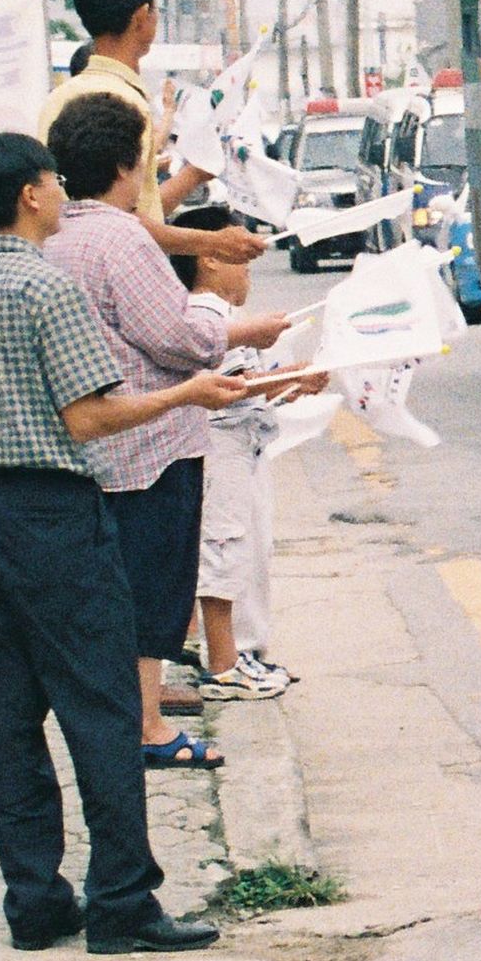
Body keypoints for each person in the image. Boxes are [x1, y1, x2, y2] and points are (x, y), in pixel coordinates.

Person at [0, 132, 298, 953]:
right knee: (103, 705)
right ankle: (122, 898)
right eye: (52, 180)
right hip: (57, 508)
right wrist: (189, 394)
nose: (63, 191)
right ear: (29, 194)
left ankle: (33, 899)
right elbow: (90, 415)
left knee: (12, 715)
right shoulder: (47, 289)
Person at [42, 92, 293, 770]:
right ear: (125, 166)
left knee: (110, 591)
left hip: (87, 444)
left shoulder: (55, 234)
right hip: (147, 445)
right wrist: (235, 324)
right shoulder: (122, 238)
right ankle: (148, 726)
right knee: (149, 591)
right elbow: (179, 337)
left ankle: (127, 717)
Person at [45, 0, 264, 272]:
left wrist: (192, 175)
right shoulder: (122, 104)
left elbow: (137, 211)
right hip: (117, 275)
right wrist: (213, 242)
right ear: (141, 16)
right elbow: (119, 222)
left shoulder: (57, 98)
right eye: (156, 8)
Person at [172, 207, 292, 699]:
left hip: (241, 446)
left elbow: (247, 384)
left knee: (245, 550)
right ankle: (224, 665)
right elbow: (231, 387)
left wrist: (290, 382)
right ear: (209, 257)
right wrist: (290, 378)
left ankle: (243, 654)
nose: (248, 268)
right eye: (239, 255)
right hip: (218, 447)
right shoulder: (205, 313)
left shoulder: (221, 314)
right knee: (222, 548)